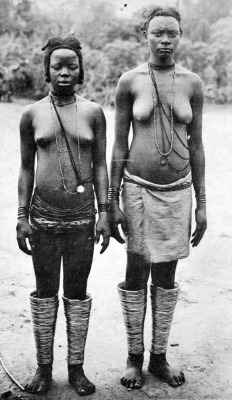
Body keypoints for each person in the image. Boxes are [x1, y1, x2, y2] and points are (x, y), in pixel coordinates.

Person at [109, 6, 207, 390]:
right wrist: (111, 202)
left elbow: (196, 146)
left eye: (172, 34)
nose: (165, 40)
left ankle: (159, 357)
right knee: (136, 271)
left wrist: (203, 203)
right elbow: (119, 144)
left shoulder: (193, 83)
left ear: (180, 36)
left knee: (166, 275)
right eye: (157, 33)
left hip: (178, 193)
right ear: (144, 35)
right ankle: (134, 358)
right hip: (136, 189)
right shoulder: (129, 81)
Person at [16, 35, 110, 396]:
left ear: (81, 70)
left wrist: (104, 213)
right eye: (58, 66)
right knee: (44, 293)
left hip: (82, 220)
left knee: (77, 292)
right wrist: (22, 216)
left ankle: (76, 369)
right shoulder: (31, 114)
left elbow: (100, 166)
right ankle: (43, 369)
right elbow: (26, 169)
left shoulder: (93, 112)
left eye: (72, 65)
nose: (65, 72)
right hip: (41, 218)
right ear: (47, 71)